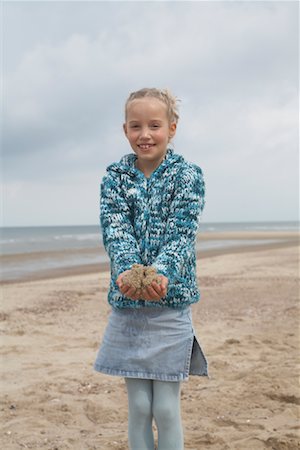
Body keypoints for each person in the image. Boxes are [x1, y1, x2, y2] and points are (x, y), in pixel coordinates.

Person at [94, 87, 208, 450]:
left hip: (170, 306)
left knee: (166, 408)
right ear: (125, 129)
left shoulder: (187, 175)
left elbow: (182, 231)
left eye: (154, 125)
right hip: (128, 307)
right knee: (140, 406)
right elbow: (115, 229)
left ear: (172, 129)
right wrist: (127, 271)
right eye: (136, 126)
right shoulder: (114, 177)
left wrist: (161, 273)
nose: (145, 134)